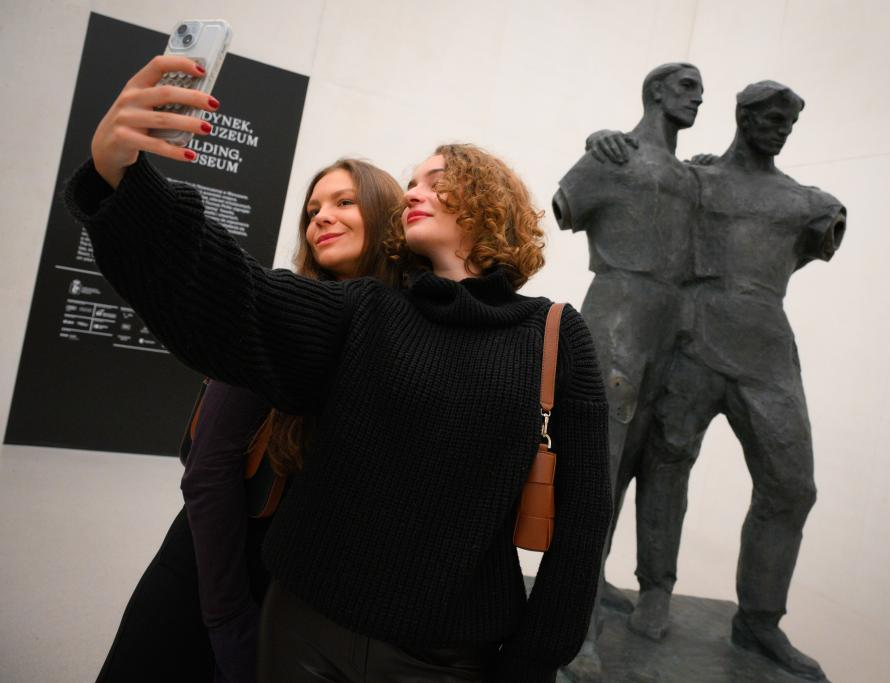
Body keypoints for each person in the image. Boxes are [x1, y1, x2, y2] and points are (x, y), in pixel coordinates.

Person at [69, 55, 612, 683]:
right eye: (410, 183)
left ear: (489, 201)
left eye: (436, 180)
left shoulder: (553, 335)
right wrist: (120, 178)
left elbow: (582, 524)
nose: (413, 192)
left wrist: (533, 661)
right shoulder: (365, 310)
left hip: (443, 656)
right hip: (301, 629)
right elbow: (237, 296)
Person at [566, 80, 846, 681]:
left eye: (789, 121)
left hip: (765, 356)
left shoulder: (809, 204)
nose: (779, 129)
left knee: (792, 486)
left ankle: (759, 620)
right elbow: (642, 175)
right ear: (742, 116)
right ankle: (643, 591)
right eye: (769, 117)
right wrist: (604, 139)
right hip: (688, 350)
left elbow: (804, 249)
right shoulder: (695, 179)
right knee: (654, 468)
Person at [94, 156, 406, 683]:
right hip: (216, 582)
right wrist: (228, 621)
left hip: (304, 604)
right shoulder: (280, 315)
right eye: (313, 210)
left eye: (344, 202)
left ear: (384, 215)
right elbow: (207, 473)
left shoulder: (397, 332)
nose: (321, 217)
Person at [551, 62, 705, 675]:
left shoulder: (694, 177)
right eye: (688, 86)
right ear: (656, 91)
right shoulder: (612, 156)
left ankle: (605, 588)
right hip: (617, 313)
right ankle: (574, 625)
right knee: (598, 466)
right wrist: (599, 141)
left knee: (645, 459)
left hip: (672, 328)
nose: (699, 98)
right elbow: (565, 204)